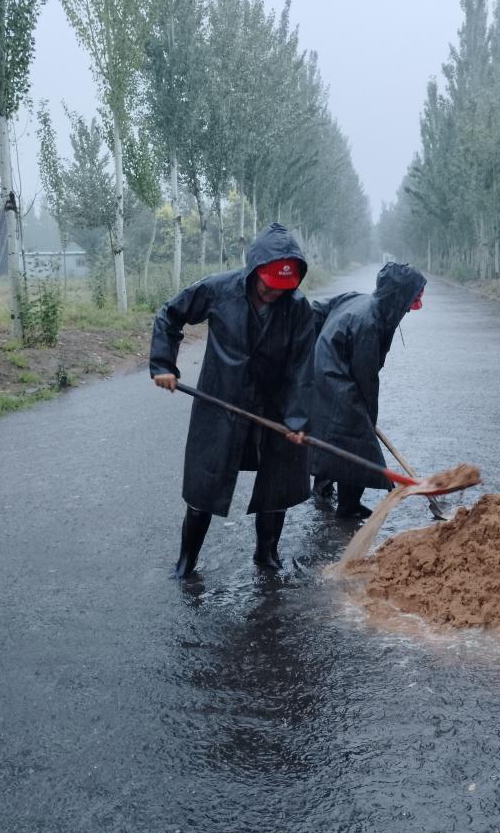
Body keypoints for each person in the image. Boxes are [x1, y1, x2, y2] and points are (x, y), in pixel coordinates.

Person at [150, 223, 316, 578]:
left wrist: (298, 419)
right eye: (268, 285)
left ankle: (266, 554)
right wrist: (163, 364)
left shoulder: (299, 308)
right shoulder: (218, 289)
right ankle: (186, 561)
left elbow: (303, 367)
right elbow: (169, 315)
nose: (274, 293)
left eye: (283, 287)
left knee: (278, 482)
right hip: (221, 401)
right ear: (255, 270)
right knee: (204, 485)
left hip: (275, 406)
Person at [308, 262, 427, 519]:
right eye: (409, 302)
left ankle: (322, 485)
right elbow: (366, 381)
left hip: (323, 371)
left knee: (333, 433)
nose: (410, 308)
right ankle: (348, 506)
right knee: (357, 441)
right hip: (337, 377)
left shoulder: (360, 299)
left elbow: (318, 310)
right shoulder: (369, 323)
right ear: (398, 297)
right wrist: (368, 421)